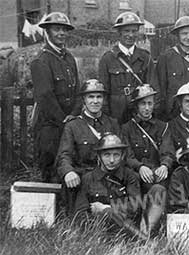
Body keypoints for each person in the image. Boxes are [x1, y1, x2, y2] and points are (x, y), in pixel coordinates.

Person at [56, 79, 120, 215]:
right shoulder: (73, 126)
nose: (95, 101)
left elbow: (122, 153)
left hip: (109, 178)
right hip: (84, 179)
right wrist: (68, 172)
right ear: (84, 100)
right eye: (91, 97)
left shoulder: (112, 124)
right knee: (82, 219)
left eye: (99, 97)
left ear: (104, 99)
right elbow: (64, 155)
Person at [31, 12, 80, 182]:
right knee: (50, 165)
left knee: (68, 164)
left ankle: (66, 203)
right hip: (50, 125)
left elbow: (77, 90)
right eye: (56, 29)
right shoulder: (41, 60)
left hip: (69, 122)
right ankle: (50, 205)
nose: (61, 33)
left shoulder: (69, 58)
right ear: (47, 32)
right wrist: (63, 120)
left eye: (64, 30)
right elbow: (45, 96)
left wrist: (73, 115)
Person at [121, 84, 174, 234]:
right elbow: (126, 155)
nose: (146, 108)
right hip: (135, 176)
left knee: (160, 188)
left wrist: (164, 165)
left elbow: (168, 151)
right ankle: (131, 227)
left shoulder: (163, 127)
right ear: (136, 106)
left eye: (149, 103)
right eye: (143, 104)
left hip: (156, 175)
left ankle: (149, 230)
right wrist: (139, 167)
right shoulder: (126, 128)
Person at [74, 133, 145, 238]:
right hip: (98, 231)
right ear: (99, 156)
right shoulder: (88, 178)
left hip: (125, 230)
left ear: (122, 156)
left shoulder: (129, 176)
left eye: (116, 155)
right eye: (107, 155)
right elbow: (80, 213)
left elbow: (135, 207)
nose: (111, 160)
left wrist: (107, 210)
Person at [98, 12, 156, 124]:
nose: (130, 35)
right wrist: (107, 118)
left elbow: (153, 88)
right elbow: (103, 92)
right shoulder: (108, 59)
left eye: (134, 31)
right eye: (126, 31)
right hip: (116, 112)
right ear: (119, 33)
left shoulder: (145, 57)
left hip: (139, 111)